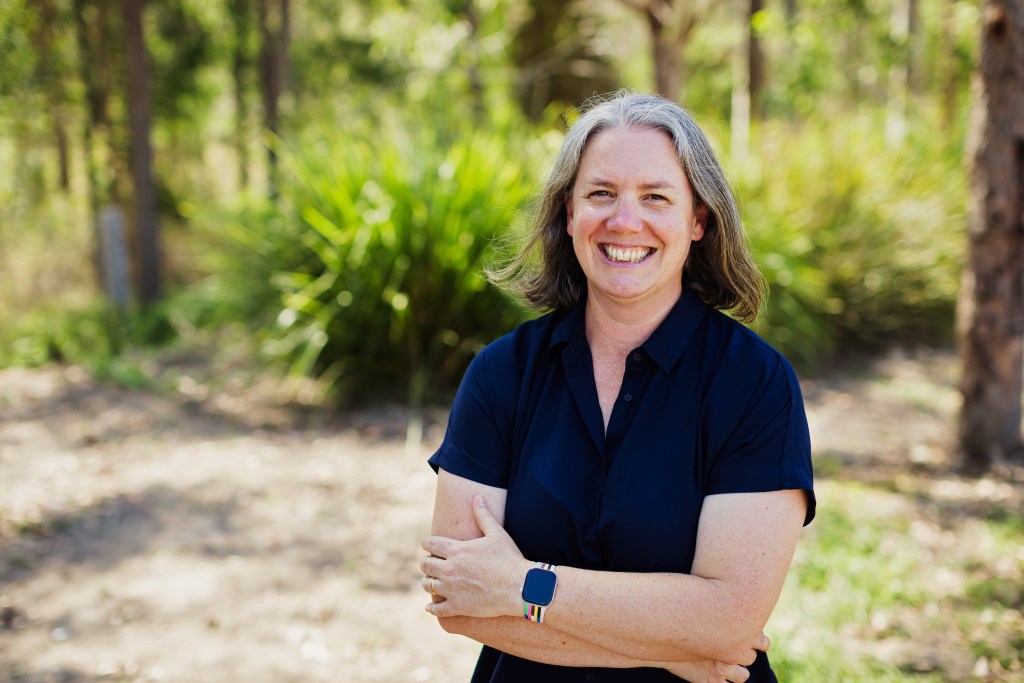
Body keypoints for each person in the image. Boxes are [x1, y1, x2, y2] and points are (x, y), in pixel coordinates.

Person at [419, 91, 815, 683]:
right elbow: (459, 600)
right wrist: (682, 649)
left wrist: (522, 585)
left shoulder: (755, 384)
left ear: (698, 220)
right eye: (601, 194)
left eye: (656, 197)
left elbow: (730, 620)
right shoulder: (502, 373)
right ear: (569, 214)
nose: (625, 221)